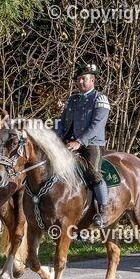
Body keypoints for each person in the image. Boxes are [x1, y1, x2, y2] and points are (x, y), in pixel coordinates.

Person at [56, 62, 112, 226]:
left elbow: (97, 125)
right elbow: (62, 122)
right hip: (68, 142)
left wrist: (79, 142)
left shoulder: (100, 99)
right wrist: (55, 137)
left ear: (92, 80)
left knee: (94, 172)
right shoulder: (72, 100)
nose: (80, 82)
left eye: (84, 79)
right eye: (78, 79)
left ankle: (103, 210)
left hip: (92, 144)